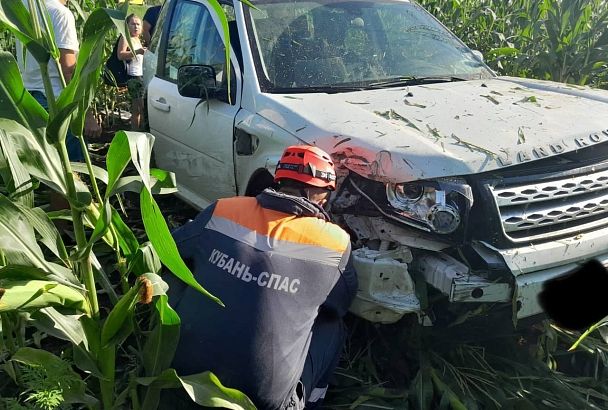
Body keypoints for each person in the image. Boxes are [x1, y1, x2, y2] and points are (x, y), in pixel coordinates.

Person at [168, 145, 358, 409]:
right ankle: (311, 402)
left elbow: (170, 249)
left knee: (177, 277)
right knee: (333, 327)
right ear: (318, 193)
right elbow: (340, 304)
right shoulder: (335, 242)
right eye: (326, 195)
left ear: (278, 180)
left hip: (180, 379)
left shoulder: (223, 209)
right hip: (263, 402)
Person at [16, 0, 102, 161]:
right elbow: (68, 69)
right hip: (57, 102)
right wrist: (87, 115)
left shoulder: (22, 9)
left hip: (28, 98)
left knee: (47, 166)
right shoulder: (60, 13)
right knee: (72, 168)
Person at [117, 14, 147, 130]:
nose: (136, 27)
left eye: (138, 24)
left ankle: (138, 131)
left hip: (141, 75)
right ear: (127, 25)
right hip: (133, 77)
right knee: (139, 107)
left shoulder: (137, 39)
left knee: (138, 109)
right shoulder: (125, 37)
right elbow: (120, 55)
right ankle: (137, 131)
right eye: (133, 24)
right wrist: (138, 52)